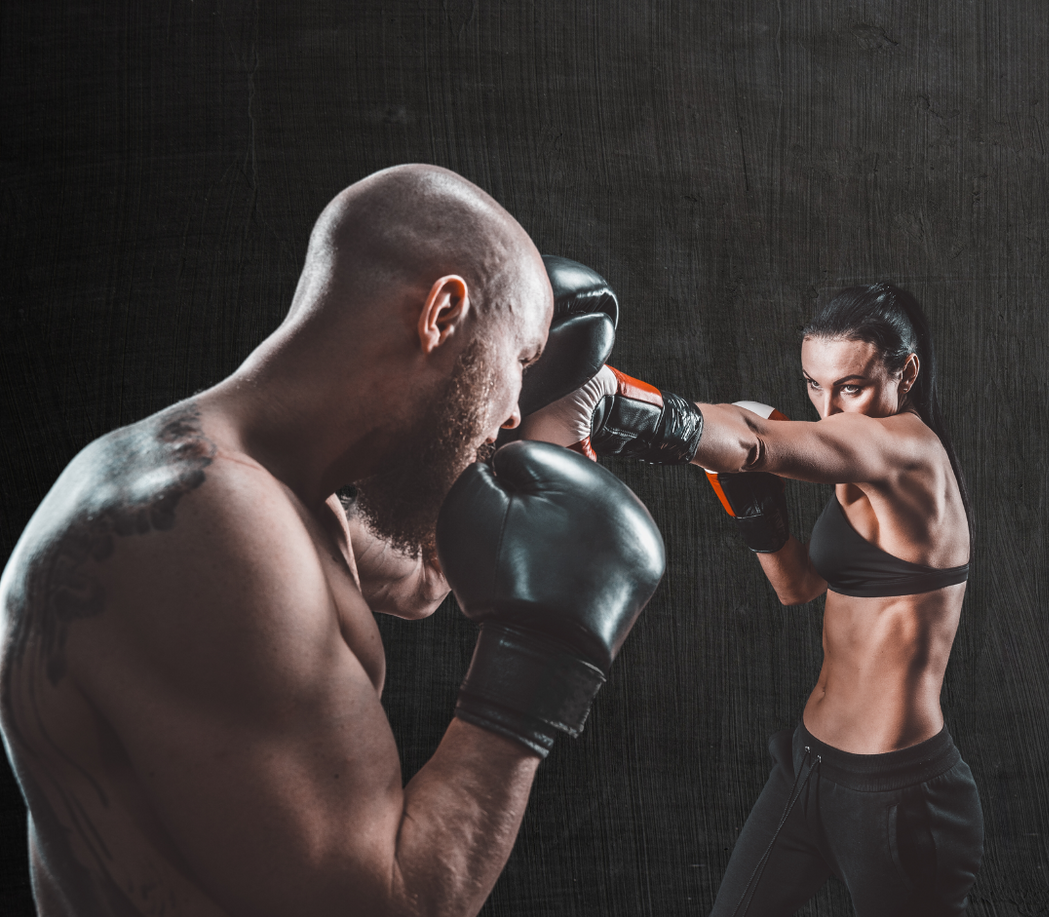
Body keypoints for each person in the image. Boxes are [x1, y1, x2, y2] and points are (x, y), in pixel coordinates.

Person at [0, 165, 666, 917]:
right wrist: (544, 663)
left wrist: (517, 412)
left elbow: (421, 580)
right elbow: (388, 905)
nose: (513, 412)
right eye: (518, 363)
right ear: (442, 313)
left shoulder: (273, 492)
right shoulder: (207, 527)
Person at [518, 275, 983, 915]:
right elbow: (798, 586)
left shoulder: (907, 449)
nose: (829, 410)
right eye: (814, 386)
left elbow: (756, 442)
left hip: (896, 796)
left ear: (906, 370)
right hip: (807, 767)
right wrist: (756, 511)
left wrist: (615, 400)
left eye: (851, 387)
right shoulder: (856, 457)